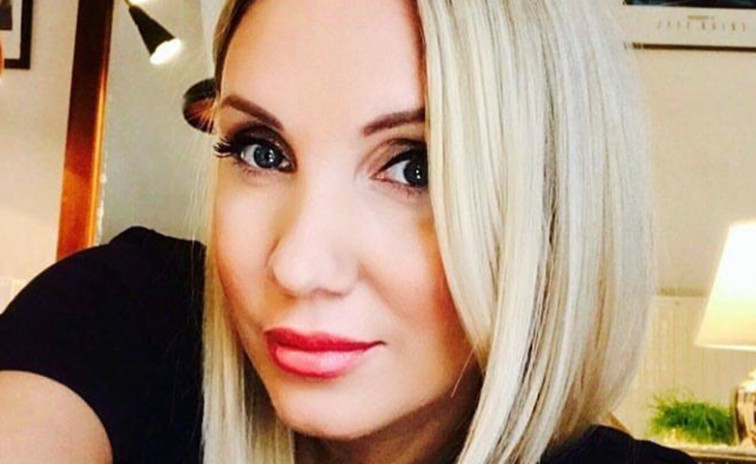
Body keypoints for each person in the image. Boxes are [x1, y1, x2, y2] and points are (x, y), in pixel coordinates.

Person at [0, 1, 696, 463]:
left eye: (416, 167)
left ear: (553, 211)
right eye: (261, 151)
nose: (298, 266)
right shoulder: (120, 318)